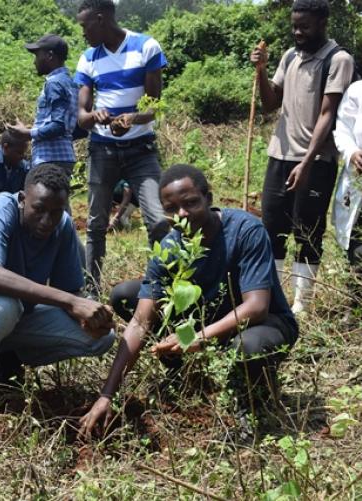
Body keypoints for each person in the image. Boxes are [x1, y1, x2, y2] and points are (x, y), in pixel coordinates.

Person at [80, 165, 298, 437]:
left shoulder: (245, 230)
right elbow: (139, 323)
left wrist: (198, 337)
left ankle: (253, 402)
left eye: (191, 203)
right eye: (171, 209)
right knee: (125, 296)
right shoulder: (170, 248)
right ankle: (179, 373)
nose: (182, 214)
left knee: (248, 346)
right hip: (206, 321)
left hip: (262, 324)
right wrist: (107, 394)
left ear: (208, 198)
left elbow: (256, 307)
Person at [0, 163, 116, 407]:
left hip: (10, 320)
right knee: (4, 304)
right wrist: (71, 301)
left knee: (102, 337)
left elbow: (70, 292)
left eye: (56, 212)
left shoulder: (63, 226)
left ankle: (4, 358)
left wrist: (92, 312)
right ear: (23, 199)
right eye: (39, 209)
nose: (47, 220)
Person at [250, 0, 355, 314]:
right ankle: (274, 296)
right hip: (279, 155)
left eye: (305, 26)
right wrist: (261, 70)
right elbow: (270, 103)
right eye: (294, 26)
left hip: (315, 161)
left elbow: (328, 113)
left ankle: (301, 304)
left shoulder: (338, 59)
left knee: (307, 231)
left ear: (323, 22)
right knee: (271, 228)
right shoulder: (289, 56)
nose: (298, 32)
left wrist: (307, 163)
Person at [74, 0, 168, 294]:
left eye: (84, 25)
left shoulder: (146, 47)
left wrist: (132, 118)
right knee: (96, 223)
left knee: (158, 220)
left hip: (141, 148)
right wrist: (96, 116)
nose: (82, 32)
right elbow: (82, 117)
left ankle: (159, 285)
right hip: (103, 150)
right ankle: (92, 288)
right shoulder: (88, 58)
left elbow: (155, 107)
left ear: (101, 20)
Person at [8, 34, 78, 175]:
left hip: (50, 158)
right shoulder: (70, 82)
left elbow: (59, 125)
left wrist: (28, 134)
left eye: (37, 56)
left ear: (50, 56)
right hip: (63, 156)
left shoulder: (54, 83)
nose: (35, 62)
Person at [332, 80, 362, 313]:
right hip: (358, 181)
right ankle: (355, 305)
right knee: (358, 246)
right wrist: (352, 152)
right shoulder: (357, 90)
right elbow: (342, 127)